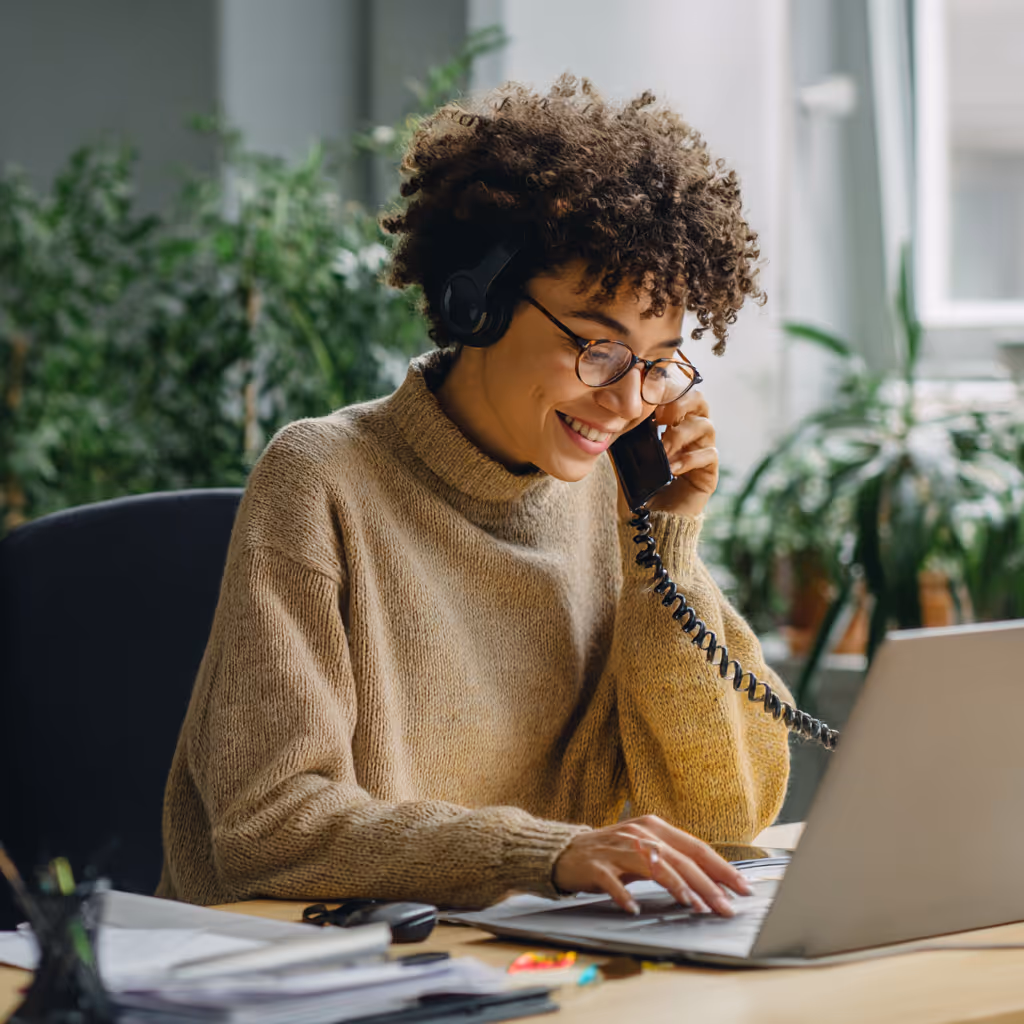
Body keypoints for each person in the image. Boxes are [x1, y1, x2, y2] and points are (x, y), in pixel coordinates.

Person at [157, 76, 791, 919]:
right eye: (599, 347)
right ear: (478, 303)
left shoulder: (616, 501)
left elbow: (723, 815)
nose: (631, 398)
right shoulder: (321, 478)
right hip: (315, 968)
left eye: (659, 360)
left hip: (536, 955)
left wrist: (664, 544)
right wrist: (546, 853)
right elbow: (270, 822)